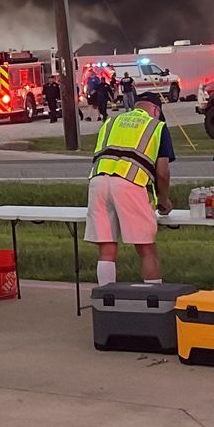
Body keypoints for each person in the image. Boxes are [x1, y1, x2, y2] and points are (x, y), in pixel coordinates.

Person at [86, 89, 174, 286]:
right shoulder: (156, 126)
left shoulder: (111, 122)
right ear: (156, 110)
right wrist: (163, 199)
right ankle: (154, 302)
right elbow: (163, 172)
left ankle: (106, 300)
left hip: (98, 182)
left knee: (107, 250)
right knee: (146, 249)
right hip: (130, 183)